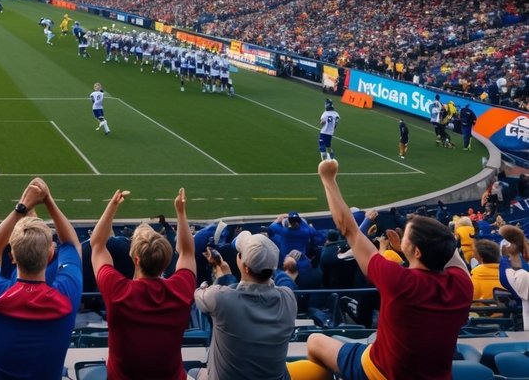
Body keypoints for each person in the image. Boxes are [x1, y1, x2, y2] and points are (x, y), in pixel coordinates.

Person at [288, 160, 471, 380]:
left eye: (406, 234)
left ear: (418, 252)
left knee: (315, 341)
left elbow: (351, 231)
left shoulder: (398, 279)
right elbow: (448, 247)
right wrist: (410, 248)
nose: (401, 233)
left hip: (380, 372)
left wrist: (328, 179)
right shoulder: (461, 284)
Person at [0, 178, 82, 380]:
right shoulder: (66, 296)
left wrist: (21, 208)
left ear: (12, 256)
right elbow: (71, 243)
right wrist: (48, 199)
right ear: (51, 256)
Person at [90, 187, 195, 380]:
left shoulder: (118, 292)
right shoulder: (181, 289)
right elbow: (188, 252)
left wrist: (112, 206)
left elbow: (96, 244)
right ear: (166, 260)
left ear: (136, 259)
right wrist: (181, 212)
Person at [194, 231, 295, 380]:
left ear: (246, 267)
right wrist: (224, 271)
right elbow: (242, 297)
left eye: (240, 253)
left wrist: (211, 280)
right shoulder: (288, 297)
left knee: (192, 371)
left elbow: (200, 294)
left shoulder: (219, 298)